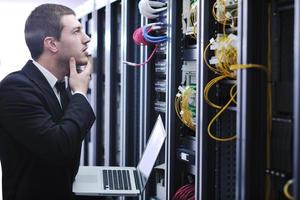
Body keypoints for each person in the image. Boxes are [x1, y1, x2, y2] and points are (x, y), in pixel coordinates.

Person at [0, 4, 95, 200]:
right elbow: (59, 147)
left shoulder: (61, 87)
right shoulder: (14, 88)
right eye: (77, 31)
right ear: (52, 44)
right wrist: (79, 94)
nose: (86, 38)